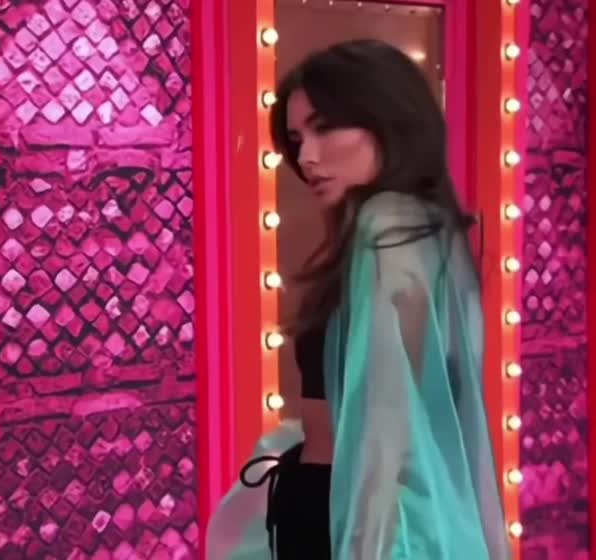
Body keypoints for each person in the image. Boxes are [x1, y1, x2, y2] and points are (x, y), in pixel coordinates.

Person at [207, 39, 511, 560]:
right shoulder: (424, 228)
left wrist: (365, 543)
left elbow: (386, 423)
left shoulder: (387, 226)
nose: (306, 157)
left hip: (352, 514)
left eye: (325, 128)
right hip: (355, 505)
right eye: (297, 139)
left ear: (388, 121)